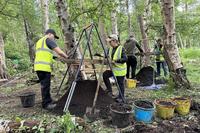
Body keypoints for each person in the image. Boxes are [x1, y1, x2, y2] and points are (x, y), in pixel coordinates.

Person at [34, 29, 68, 110]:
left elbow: (44, 53)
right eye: (54, 36)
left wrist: (55, 57)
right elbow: (59, 52)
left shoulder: (40, 41)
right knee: (45, 86)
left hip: (38, 66)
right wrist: (67, 57)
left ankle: (49, 100)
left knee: (45, 85)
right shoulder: (48, 40)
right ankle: (46, 104)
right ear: (49, 34)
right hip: (44, 67)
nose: (54, 39)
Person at [103, 34, 127, 102]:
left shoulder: (121, 48)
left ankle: (121, 97)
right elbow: (107, 56)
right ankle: (109, 90)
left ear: (114, 41)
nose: (109, 43)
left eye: (110, 42)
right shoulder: (111, 49)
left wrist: (116, 61)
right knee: (105, 74)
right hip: (114, 70)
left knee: (120, 84)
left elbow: (125, 59)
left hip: (120, 70)